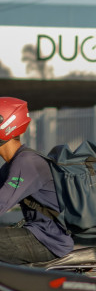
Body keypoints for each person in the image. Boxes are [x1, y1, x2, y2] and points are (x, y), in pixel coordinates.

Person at [0, 97, 73, 264]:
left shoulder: (26, 163)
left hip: (49, 241)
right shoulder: (15, 162)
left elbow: (1, 202)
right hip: (38, 234)